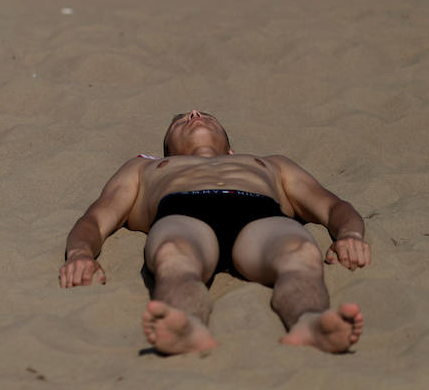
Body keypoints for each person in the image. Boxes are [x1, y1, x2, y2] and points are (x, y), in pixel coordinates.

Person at [58, 110, 370, 354]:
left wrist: (350, 235)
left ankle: (310, 321)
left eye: (204, 115)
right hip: (182, 212)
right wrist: (80, 254)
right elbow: (96, 219)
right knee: (173, 256)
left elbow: (332, 207)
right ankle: (187, 325)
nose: (193, 114)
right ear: (167, 153)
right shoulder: (145, 169)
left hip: (259, 212)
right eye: (181, 120)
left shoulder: (269, 164)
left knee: (301, 254)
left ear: (232, 151)